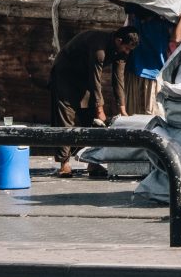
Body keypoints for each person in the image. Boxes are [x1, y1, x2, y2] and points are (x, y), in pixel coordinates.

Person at [44, 25, 141, 176]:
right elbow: (95, 80)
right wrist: (100, 109)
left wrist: (122, 109)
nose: (127, 52)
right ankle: (64, 163)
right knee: (65, 117)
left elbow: (118, 79)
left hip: (84, 78)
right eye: (126, 48)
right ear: (118, 40)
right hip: (65, 75)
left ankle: (92, 162)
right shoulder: (99, 47)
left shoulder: (122, 51)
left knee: (91, 120)